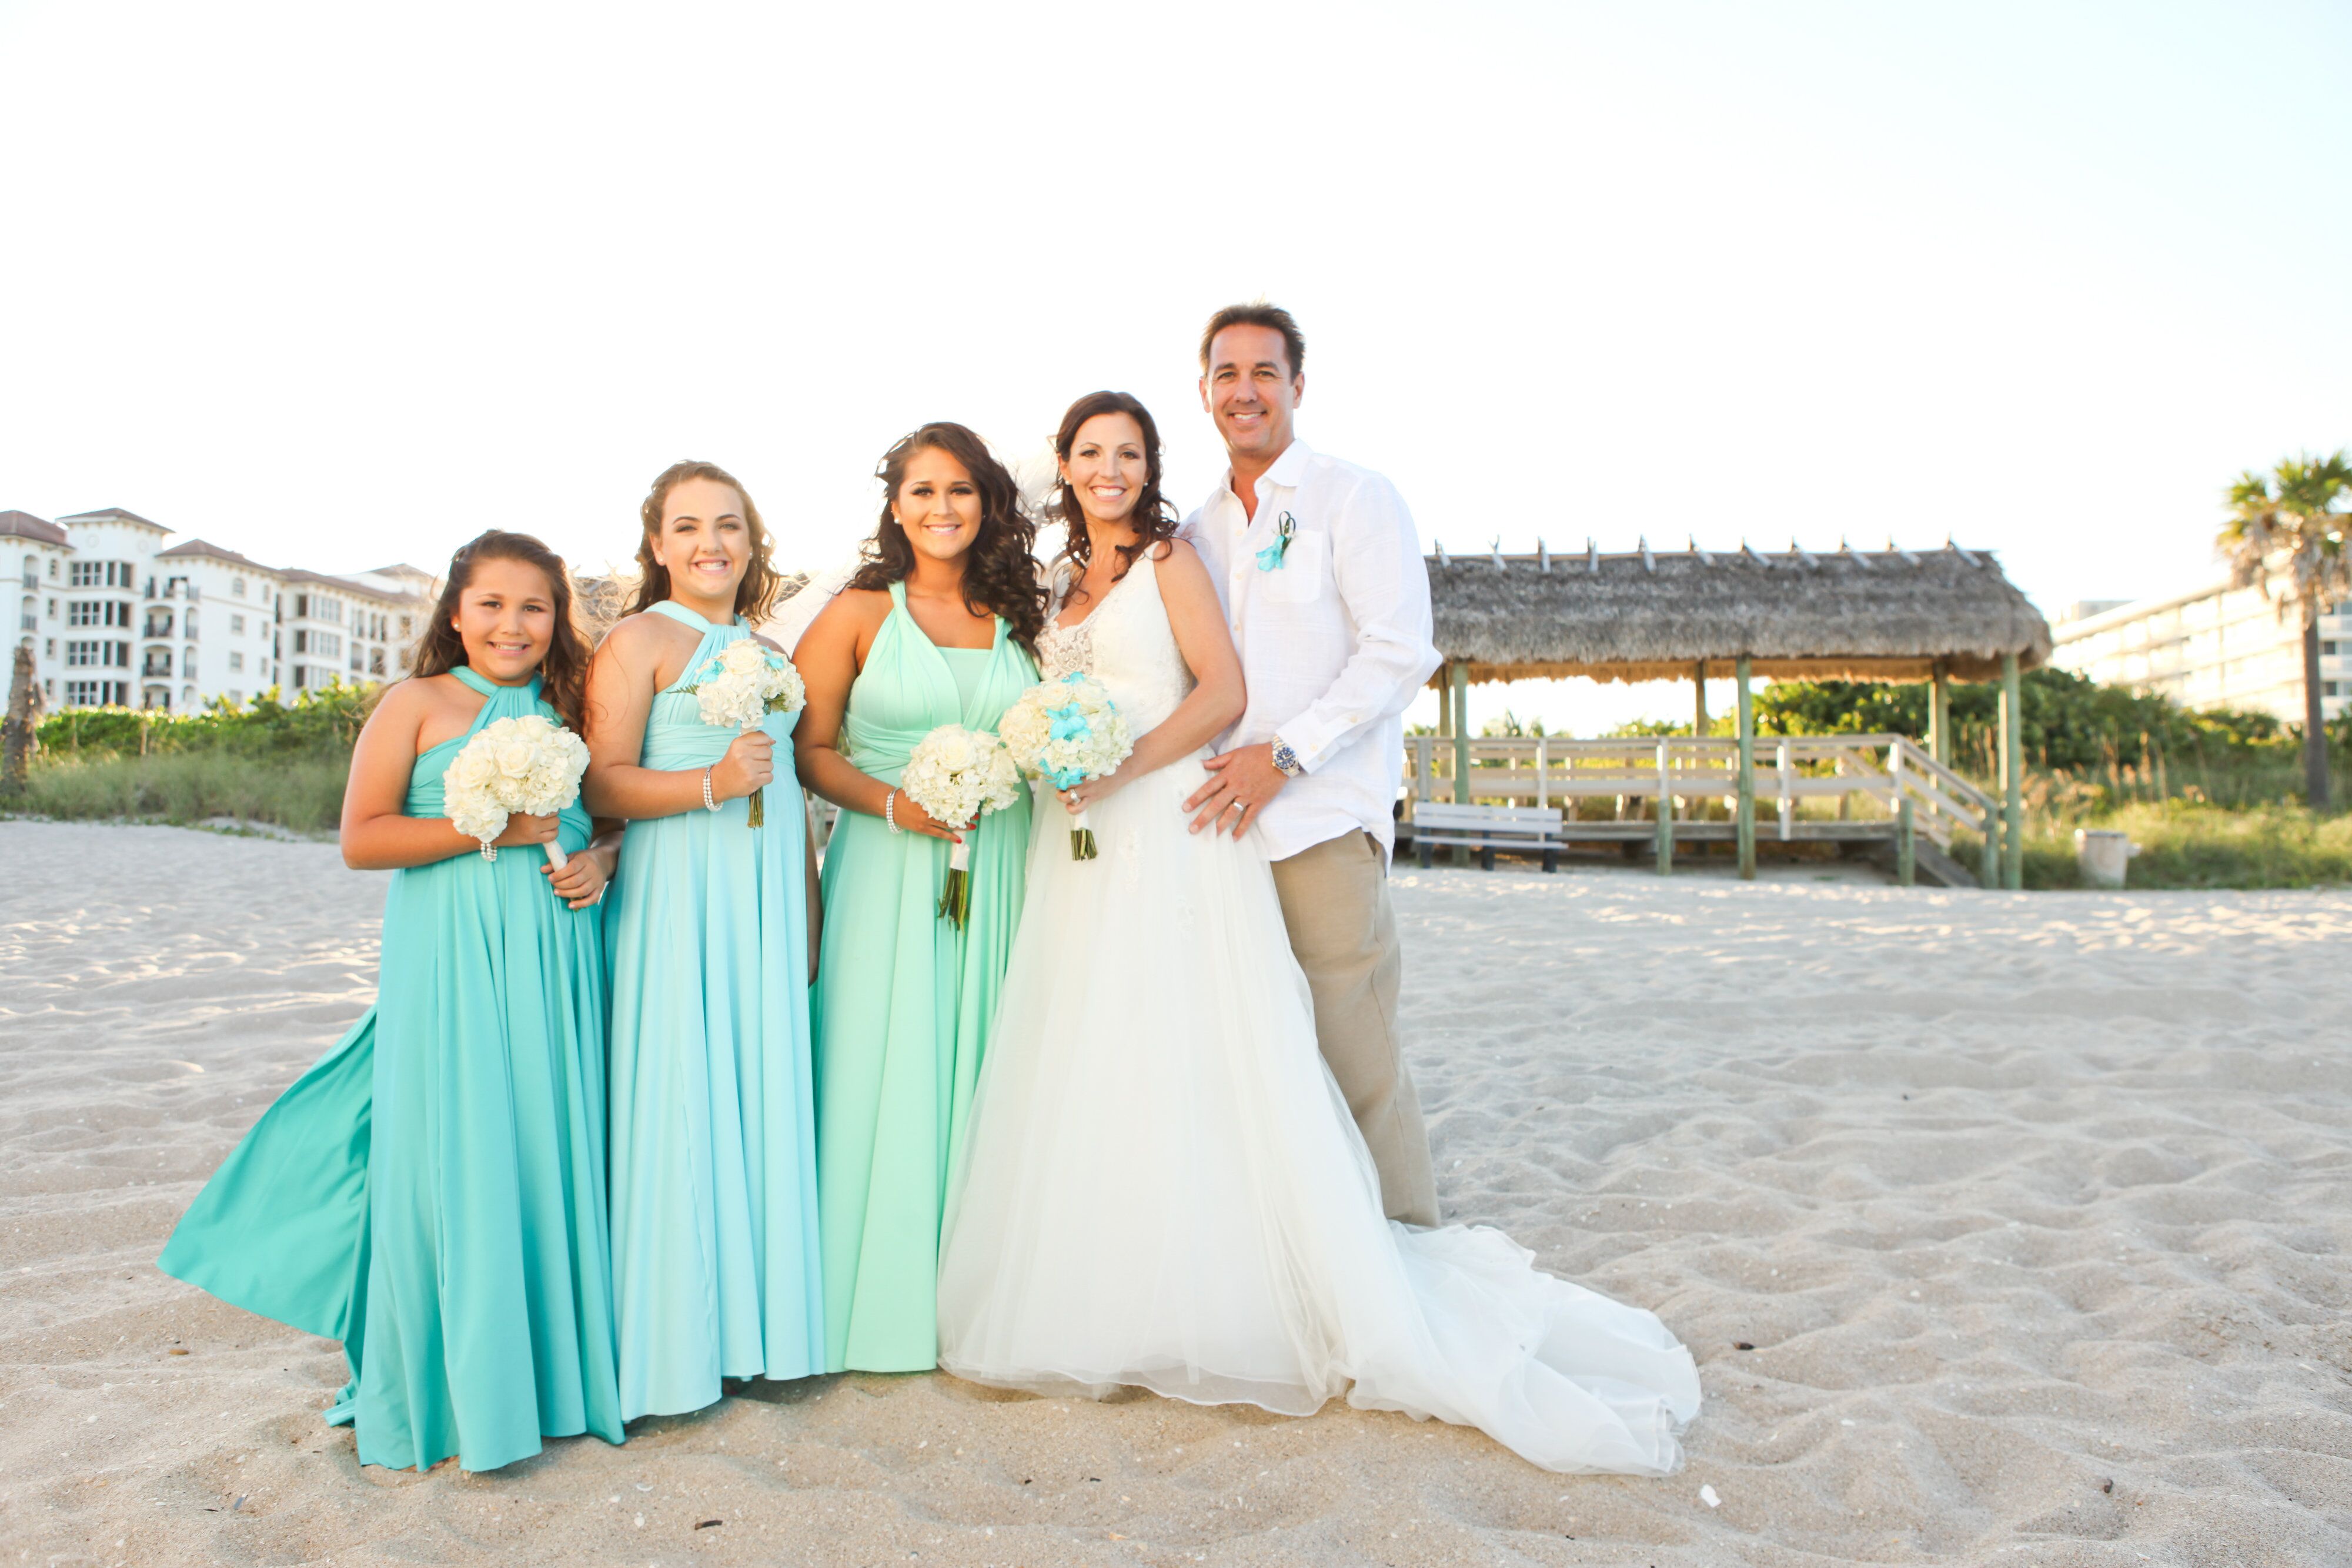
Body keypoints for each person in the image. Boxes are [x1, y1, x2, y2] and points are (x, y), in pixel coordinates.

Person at [936, 392, 1700, 1475]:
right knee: (1098, 1042)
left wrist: (1118, 769)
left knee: (1202, 1042)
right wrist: (1060, 764)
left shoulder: (1172, 559)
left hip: (1166, 813)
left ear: (1151, 463)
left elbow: (1223, 694)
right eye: (1091, 453)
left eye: (1130, 453)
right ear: (1063, 464)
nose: (1110, 469)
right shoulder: (1062, 586)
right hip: (1077, 843)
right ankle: (1112, 1279)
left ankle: (1248, 1281)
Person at [159, 530, 624, 1473]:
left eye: (533, 606)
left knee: (547, 1145)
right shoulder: (415, 703)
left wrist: (601, 859)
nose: (512, 623)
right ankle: (457, 1386)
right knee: (458, 1149)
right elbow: (363, 840)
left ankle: (552, 1380)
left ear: (556, 620)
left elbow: (605, 818)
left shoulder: (577, 707)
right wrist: (485, 824)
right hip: (450, 953)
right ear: (455, 612)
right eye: (491, 603)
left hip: (558, 955)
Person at [1175, 302, 1444, 1227]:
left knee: (1354, 1054)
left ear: (1297, 384)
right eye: (1226, 374)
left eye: (1263, 372)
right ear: (1204, 391)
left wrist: (1283, 756)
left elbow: (1400, 650)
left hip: (1321, 817)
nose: (1243, 391)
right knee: (1252, 1062)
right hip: (1216, 832)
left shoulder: (1353, 497)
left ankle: (1412, 1259)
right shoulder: (1193, 530)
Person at [793, 423, 1046, 1374]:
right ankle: (875, 1302)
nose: (943, 509)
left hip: (1006, 859)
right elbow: (810, 753)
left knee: (989, 1061)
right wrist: (901, 806)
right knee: (880, 1061)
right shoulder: (861, 611)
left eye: (962, 491)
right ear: (895, 506)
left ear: (988, 505)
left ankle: (979, 1301)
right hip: (887, 861)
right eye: (924, 491)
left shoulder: (1020, 616)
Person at [585, 461, 822, 1419]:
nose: (710, 543)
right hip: (679, 884)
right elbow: (600, 783)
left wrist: (805, 904)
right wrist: (710, 784)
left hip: (764, 887)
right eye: (687, 527)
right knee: (686, 1082)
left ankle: (758, 1336)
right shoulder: (637, 640)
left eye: (728, 525)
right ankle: (678, 1339)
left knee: (761, 1082)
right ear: (656, 545)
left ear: (753, 541)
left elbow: (796, 786)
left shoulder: (766, 648)